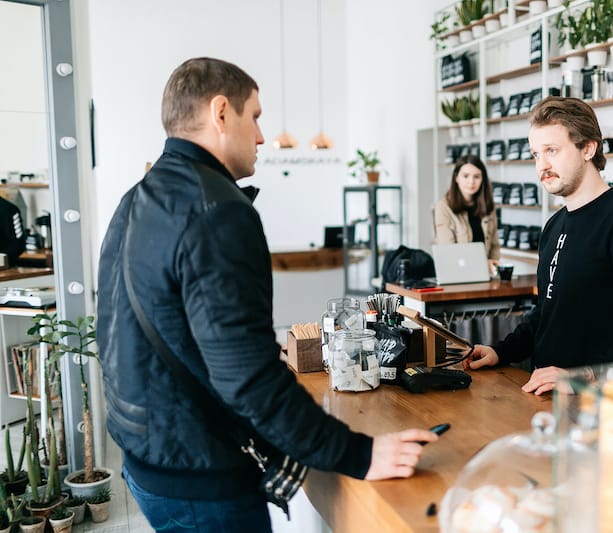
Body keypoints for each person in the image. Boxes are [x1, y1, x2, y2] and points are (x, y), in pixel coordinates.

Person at [96, 57, 438, 532]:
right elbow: (247, 378)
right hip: (202, 479)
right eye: (254, 116)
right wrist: (360, 454)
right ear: (221, 113)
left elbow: (118, 328)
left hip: (145, 461)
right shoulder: (218, 210)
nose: (260, 136)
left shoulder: (136, 197)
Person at [463, 97, 613, 395]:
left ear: (588, 148)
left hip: (603, 403)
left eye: (552, 150)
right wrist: (501, 351)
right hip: (544, 395)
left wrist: (584, 376)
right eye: (536, 154)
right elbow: (546, 313)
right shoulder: (554, 226)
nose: (542, 165)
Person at [434, 155, 501, 274]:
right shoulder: (443, 208)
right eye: (466, 176)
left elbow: (494, 244)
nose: (471, 182)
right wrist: (482, 263)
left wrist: (493, 264)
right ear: (456, 178)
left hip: (485, 275)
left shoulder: (489, 206)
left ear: (483, 179)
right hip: (457, 274)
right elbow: (448, 251)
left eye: (477, 176)